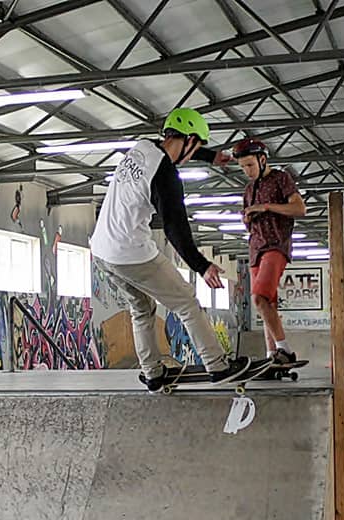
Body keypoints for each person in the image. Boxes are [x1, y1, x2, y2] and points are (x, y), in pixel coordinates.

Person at [90, 107, 262, 392]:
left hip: (101, 250)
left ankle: (152, 373)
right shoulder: (166, 176)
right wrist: (202, 266)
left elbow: (175, 146)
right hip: (131, 253)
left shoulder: (142, 147)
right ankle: (217, 365)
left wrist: (209, 156)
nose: (192, 154)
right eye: (197, 146)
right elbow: (175, 230)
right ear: (191, 140)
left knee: (141, 308)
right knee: (186, 302)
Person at [232, 137, 307, 366]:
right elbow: (248, 224)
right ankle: (271, 355)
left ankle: (285, 351)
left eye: (250, 165)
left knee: (259, 297)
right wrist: (247, 217)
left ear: (262, 159)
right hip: (255, 249)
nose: (247, 171)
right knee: (267, 305)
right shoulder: (248, 189)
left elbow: (300, 208)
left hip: (276, 245)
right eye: (243, 167)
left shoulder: (280, 179)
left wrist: (266, 207)